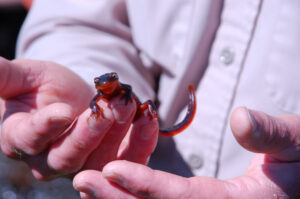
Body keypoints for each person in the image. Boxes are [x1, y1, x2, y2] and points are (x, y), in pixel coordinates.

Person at [1, 0, 300, 198]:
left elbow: (126, 91)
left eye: (108, 83)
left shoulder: (120, 89)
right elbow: (75, 19)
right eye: (100, 84)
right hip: (140, 162)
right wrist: (78, 78)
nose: (105, 86)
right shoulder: (102, 92)